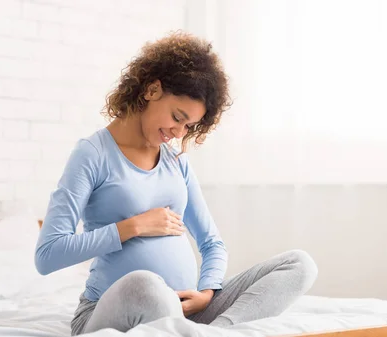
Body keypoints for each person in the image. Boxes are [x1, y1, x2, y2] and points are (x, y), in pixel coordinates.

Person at [34, 31, 318, 336]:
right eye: (177, 117)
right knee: (146, 285)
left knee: (299, 264)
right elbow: (48, 254)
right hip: (114, 310)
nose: (179, 133)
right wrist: (133, 226)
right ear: (152, 89)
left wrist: (207, 293)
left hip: (188, 312)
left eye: (189, 126)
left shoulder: (176, 161)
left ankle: (212, 333)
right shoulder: (92, 154)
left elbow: (212, 244)